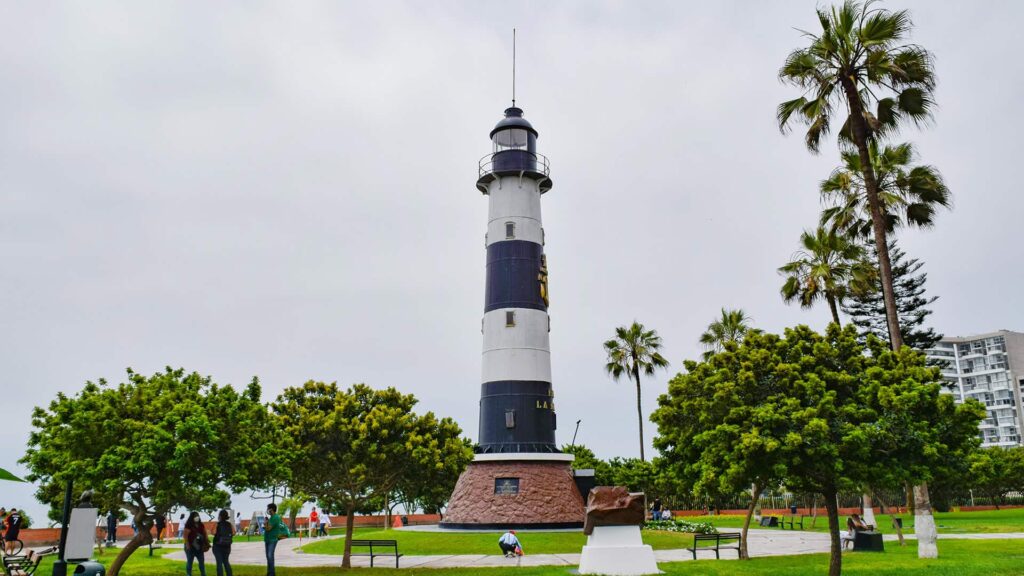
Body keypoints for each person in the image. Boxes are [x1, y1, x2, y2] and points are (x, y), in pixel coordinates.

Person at [263, 503, 289, 576]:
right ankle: (269, 572)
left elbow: (268, 528)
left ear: (271, 509)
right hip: (267, 539)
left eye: (268, 508)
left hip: (272, 539)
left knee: (270, 556)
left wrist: (265, 523)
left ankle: (272, 573)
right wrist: (266, 522)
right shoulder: (271, 517)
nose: (267, 510)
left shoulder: (275, 517)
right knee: (268, 556)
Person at [183, 511, 209, 576]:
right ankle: (188, 574)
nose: (196, 517)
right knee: (190, 562)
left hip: (199, 547)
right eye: (195, 516)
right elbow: (185, 536)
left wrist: (206, 542)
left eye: (197, 516)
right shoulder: (188, 525)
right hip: (190, 546)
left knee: (201, 562)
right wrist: (187, 545)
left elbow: (205, 533)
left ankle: (203, 574)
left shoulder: (201, 525)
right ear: (192, 517)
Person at [212, 509, 234, 576]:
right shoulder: (229, 524)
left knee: (219, 563)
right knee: (226, 562)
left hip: (218, 546)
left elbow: (213, 532)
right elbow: (234, 532)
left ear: (220, 516)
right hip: (227, 546)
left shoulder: (217, 524)